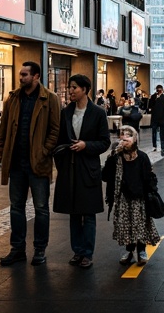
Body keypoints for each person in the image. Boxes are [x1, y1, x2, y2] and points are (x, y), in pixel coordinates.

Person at [0, 60, 62, 268]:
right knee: (16, 207)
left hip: (38, 162)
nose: (21, 78)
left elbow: (55, 130)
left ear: (36, 76)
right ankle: (17, 249)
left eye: (25, 75)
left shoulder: (49, 99)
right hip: (16, 162)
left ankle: (40, 249)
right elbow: (3, 127)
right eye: (20, 74)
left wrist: (44, 151)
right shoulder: (13, 98)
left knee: (41, 208)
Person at [53, 74, 110, 268]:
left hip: (88, 169)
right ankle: (77, 250)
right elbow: (59, 140)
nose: (71, 91)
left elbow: (105, 142)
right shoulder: (66, 112)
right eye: (70, 87)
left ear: (85, 90)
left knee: (89, 212)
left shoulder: (98, 113)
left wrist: (86, 145)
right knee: (73, 212)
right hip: (69, 168)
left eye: (74, 87)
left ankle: (87, 253)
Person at [104, 125, 161, 266]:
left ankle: (141, 251)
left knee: (139, 225)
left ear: (135, 139)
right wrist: (112, 155)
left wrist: (149, 193)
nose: (124, 138)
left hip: (139, 198)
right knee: (125, 225)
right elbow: (105, 176)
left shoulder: (142, 157)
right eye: (122, 135)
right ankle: (129, 251)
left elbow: (149, 178)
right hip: (122, 197)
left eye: (128, 135)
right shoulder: (116, 157)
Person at [148, 84, 164, 155]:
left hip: (155, 118)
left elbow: (149, 107)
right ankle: (162, 147)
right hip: (162, 118)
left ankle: (155, 146)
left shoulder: (152, 97)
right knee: (162, 133)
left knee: (154, 132)